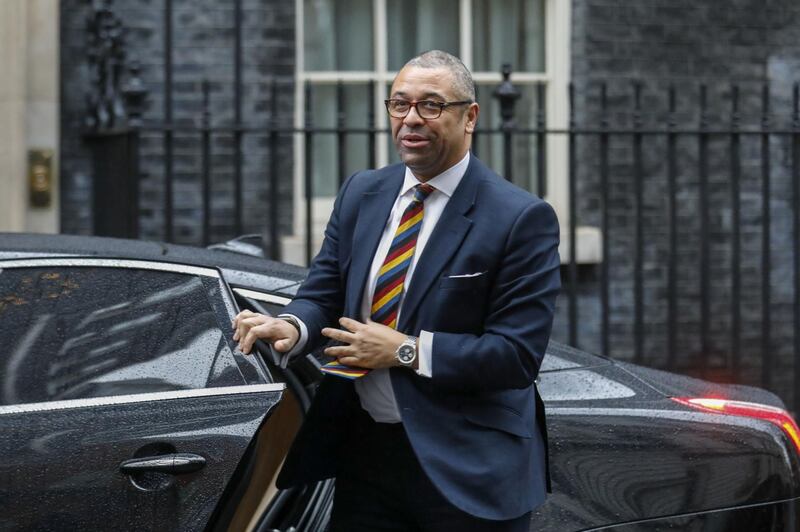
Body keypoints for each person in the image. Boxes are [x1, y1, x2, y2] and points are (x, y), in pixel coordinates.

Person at [232, 50, 560, 532]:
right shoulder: (362, 192)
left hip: (468, 467)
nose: (411, 118)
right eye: (399, 104)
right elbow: (324, 290)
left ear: (469, 116)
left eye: (431, 105)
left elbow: (514, 356)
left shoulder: (520, 219)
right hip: (366, 456)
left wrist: (405, 350)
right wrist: (293, 325)